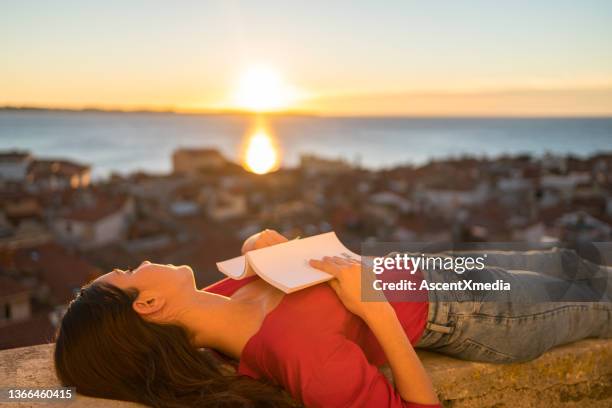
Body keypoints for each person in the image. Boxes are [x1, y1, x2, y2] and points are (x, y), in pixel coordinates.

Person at [54, 230, 611, 408]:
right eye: (130, 271)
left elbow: (320, 274)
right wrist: (377, 314)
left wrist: (269, 248)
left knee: (575, 263)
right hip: (476, 315)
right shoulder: (298, 359)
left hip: (424, 269)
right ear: (148, 306)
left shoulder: (223, 293)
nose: (144, 262)